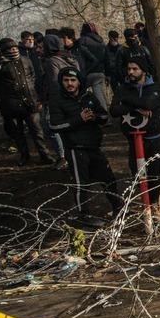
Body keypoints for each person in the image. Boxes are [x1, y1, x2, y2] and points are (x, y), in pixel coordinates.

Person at [48, 67, 123, 218]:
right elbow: (55, 125)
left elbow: (104, 117)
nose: (70, 83)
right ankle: (84, 216)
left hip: (94, 146)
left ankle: (119, 209)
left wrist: (94, 117)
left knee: (108, 179)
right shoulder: (57, 101)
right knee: (80, 185)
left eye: (73, 80)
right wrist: (79, 119)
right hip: (75, 149)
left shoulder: (88, 97)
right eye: (66, 80)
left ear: (79, 82)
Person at [109, 56, 160, 220]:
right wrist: (136, 104)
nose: (131, 72)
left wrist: (130, 104)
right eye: (129, 69)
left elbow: (148, 103)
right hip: (133, 140)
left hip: (153, 138)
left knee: (154, 175)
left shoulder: (154, 87)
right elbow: (114, 110)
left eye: (135, 69)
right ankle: (145, 204)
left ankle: (155, 204)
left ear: (143, 70)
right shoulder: (123, 88)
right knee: (137, 174)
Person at [0, 38, 59, 166]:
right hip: (11, 105)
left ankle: (44, 155)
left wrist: (37, 97)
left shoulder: (25, 60)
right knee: (18, 133)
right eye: (11, 48)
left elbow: (33, 77)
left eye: (15, 48)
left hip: (30, 102)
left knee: (37, 130)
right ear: (5, 51)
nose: (14, 50)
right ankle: (24, 156)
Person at [41, 34, 78, 168]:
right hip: (73, 96)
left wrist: (52, 100)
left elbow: (54, 82)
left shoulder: (52, 61)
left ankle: (64, 157)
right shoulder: (70, 57)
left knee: (51, 128)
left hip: (58, 98)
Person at [77, 22, 108, 109]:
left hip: (88, 72)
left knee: (78, 93)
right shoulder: (101, 41)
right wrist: (107, 73)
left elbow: (81, 58)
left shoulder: (82, 40)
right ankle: (105, 115)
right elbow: (107, 58)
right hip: (100, 72)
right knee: (99, 94)